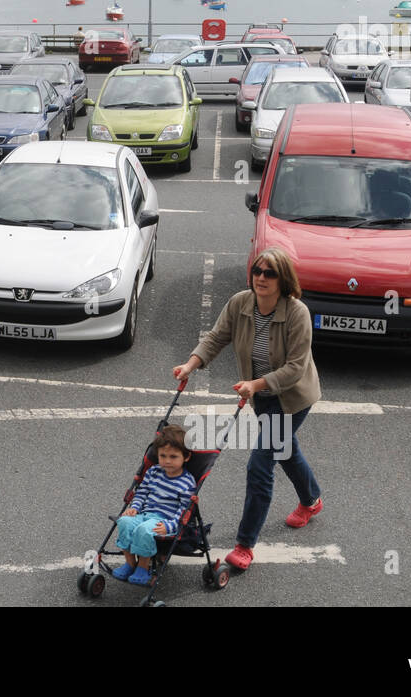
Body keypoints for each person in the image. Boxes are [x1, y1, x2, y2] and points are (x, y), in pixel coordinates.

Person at [171, 247, 322, 571]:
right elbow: (216, 337)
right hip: (261, 396)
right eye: (257, 271)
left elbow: (296, 367)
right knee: (285, 450)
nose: (261, 278)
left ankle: (244, 544)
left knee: (260, 464)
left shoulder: (297, 313)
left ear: (284, 280)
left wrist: (256, 384)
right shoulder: (241, 303)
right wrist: (191, 364)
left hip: (292, 399)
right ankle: (311, 501)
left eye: (270, 273)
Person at [112, 425, 196, 585]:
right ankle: (130, 563)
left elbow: (184, 509)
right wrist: (134, 507)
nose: (167, 461)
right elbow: (142, 492)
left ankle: (143, 567)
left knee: (144, 530)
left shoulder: (187, 482)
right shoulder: (153, 472)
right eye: (163, 456)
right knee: (123, 521)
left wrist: (171, 526)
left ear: (186, 457)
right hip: (144, 514)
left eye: (173, 457)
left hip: (164, 520)